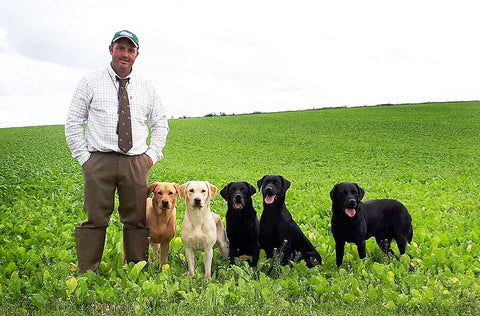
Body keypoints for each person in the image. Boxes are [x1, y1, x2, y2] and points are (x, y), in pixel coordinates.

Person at [65, 30, 169, 273]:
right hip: (99, 160)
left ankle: (137, 270)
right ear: (111, 49)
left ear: (137, 55)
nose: (125, 54)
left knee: (136, 219)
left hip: (135, 162)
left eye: (130, 50)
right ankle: (87, 272)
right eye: (120, 48)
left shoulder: (147, 87)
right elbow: (73, 122)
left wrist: (151, 156)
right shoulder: (90, 82)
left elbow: (161, 123)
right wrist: (84, 158)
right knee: (95, 218)